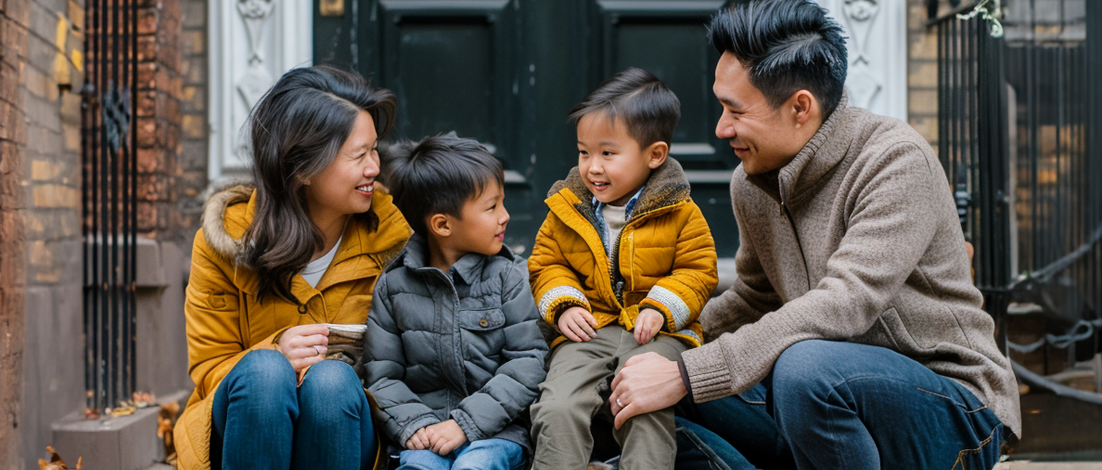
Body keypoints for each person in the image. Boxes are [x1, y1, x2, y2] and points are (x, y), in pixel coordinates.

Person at [608, 2, 1022, 469]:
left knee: (802, 369)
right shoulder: (752, 181)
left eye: (735, 110)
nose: (722, 128)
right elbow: (752, 299)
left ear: (800, 106)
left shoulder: (894, 160)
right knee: (639, 383)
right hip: (823, 410)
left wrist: (688, 372)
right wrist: (650, 337)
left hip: (951, 409)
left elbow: (845, 302)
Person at [175, 65, 412, 469]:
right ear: (302, 168)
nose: (374, 167)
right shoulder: (225, 243)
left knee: (330, 383)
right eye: (359, 155)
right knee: (266, 373)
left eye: (375, 149)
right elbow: (210, 369)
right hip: (246, 419)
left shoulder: (394, 241)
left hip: (345, 426)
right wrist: (276, 351)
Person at [527, 67, 719, 470]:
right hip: (590, 326)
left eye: (607, 153)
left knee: (642, 405)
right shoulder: (568, 208)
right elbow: (547, 263)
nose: (592, 167)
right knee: (558, 404)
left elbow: (698, 270)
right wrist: (564, 304)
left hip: (656, 331)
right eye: (584, 152)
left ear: (654, 155)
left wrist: (661, 306)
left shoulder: (680, 211)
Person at [363, 134, 548, 470]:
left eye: (502, 203)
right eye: (492, 207)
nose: (505, 216)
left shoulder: (510, 278)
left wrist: (465, 424)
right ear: (443, 224)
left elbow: (528, 362)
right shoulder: (393, 286)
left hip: (496, 432)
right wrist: (415, 425)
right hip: (426, 432)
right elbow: (382, 375)